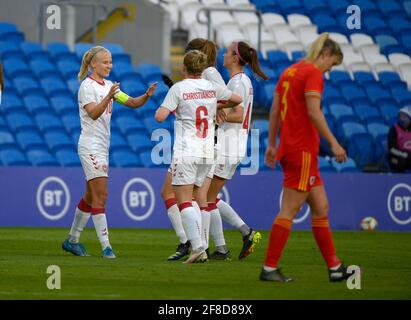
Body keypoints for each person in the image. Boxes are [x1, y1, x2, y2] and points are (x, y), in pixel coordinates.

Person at [260, 33, 353, 282]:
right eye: (331, 64)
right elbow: (313, 111)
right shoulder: (312, 73)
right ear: (325, 54)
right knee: (289, 209)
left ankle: (334, 267)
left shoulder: (290, 71)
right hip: (301, 150)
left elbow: (274, 111)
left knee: (321, 206)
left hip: (293, 149)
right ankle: (269, 268)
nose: (329, 70)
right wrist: (334, 143)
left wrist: (271, 144)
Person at [62, 46, 157, 258]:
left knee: (90, 196)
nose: (109, 66)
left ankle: (72, 240)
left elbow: (132, 102)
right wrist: (109, 96)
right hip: (90, 146)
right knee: (101, 195)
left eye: (111, 62)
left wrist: (146, 96)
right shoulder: (87, 86)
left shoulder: (108, 86)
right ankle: (106, 247)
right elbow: (94, 113)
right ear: (93, 64)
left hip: (102, 146)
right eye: (105, 62)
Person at [155, 49, 242, 263]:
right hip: (208, 151)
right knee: (195, 196)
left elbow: (160, 116)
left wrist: (176, 107)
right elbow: (238, 99)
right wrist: (216, 106)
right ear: (202, 69)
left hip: (187, 150)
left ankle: (197, 245)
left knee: (182, 200)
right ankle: (201, 247)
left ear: (184, 67)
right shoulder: (211, 87)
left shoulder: (179, 88)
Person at [207, 41, 268, 260]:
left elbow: (238, 115)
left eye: (227, 51)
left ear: (235, 58)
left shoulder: (239, 82)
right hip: (231, 144)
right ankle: (242, 235)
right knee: (208, 197)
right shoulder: (239, 81)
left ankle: (226, 245)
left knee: (205, 197)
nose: (223, 54)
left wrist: (214, 115)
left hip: (229, 145)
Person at [388, 106, 411, 172]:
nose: (401, 119)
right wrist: (403, 154)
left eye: (404, 117)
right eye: (400, 116)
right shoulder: (394, 130)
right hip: (395, 158)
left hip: (409, 157)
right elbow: (391, 149)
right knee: (402, 160)